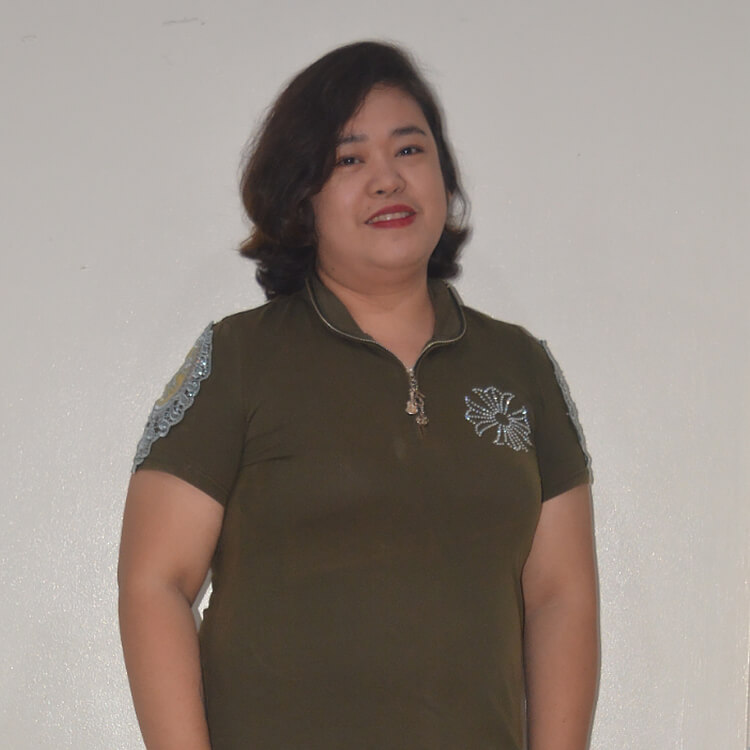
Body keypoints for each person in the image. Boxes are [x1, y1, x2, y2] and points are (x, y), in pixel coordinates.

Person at [118, 41, 598, 750]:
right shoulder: (240, 359)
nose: (387, 180)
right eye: (349, 160)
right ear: (302, 196)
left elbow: (562, 597)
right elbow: (154, 581)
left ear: (443, 175)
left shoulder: (521, 367)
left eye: (409, 150)